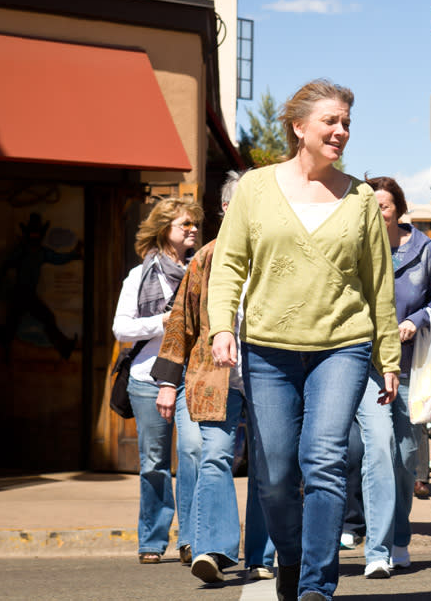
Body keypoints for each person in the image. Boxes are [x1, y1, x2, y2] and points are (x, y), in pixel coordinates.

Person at [207, 79, 401, 601]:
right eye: (330, 122)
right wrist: (223, 325)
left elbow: (379, 281)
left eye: (346, 124)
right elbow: (228, 263)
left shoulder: (360, 197)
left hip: (342, 344)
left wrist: (389, 358)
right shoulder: (255, 187)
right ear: (299, 127)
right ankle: (289, 560)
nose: (341, 132)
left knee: (324, 460)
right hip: (268, 346)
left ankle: (318, 584)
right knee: (273, 475)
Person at [151, 171, 275, 584]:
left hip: (271, 374)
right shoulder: (206, 257)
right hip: (213, 375)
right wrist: (168, 381)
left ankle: (262, 552)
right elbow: (180, 322)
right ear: (227, 208)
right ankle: (213, 550)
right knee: (215, 456)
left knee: (268, 465)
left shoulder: (278, 256)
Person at [356, 175, 431, 574]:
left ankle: (399, 537)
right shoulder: (356, 248)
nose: (379, 212)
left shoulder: (424, 251)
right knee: (377, 448)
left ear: (398, 208)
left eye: (385, 205)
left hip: (411, 365)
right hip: (367, 364)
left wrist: (416, 319)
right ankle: (376, 550)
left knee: (406, 457)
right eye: (372, 206)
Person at [111, 197, 204, 566]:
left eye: (194, 223)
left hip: (189, 377)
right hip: (147, 378)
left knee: (194, 453)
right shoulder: (140, 276)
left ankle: (192, 539)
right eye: (185, 224)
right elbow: (121, 328)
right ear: (165, 229)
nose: (193, 229)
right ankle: (151, 539)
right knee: (154, 461)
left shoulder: (200, 271)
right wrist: (164, 323)